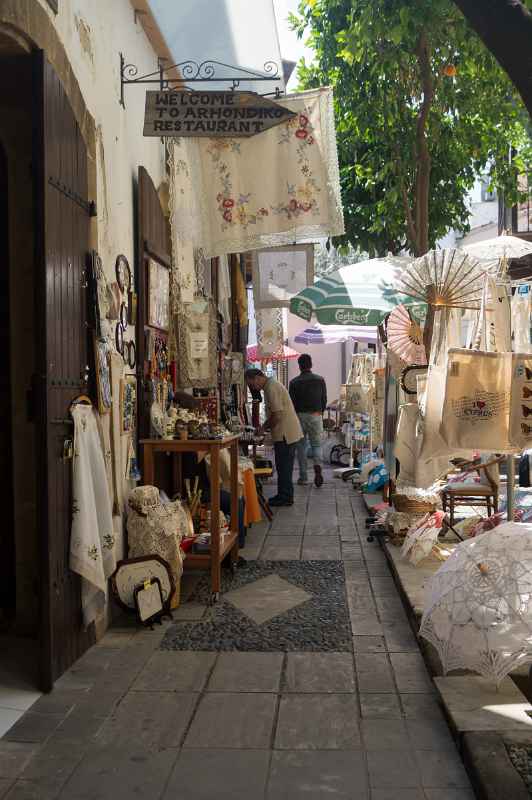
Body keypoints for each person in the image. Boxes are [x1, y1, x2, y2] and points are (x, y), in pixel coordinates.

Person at [245, 368, 302, 507]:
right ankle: (284, 494)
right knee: (283, 466)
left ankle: (285, 497)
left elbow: (277, 414)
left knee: (284, 467)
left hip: (285, 434)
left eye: (252, 384)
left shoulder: (271, 387)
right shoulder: (271, 385)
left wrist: (263, 429)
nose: (253, 388)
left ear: (258, 377)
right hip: (285, 432)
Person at [289, 353, 327, 488]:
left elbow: (291, 404)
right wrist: (320, 412)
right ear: (311, 364)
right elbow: (324, 399)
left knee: (301, 447)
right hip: (316, 415)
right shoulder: (320, 380)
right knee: (317, 445)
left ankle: (303, 477)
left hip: (299, 416)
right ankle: (317, 466)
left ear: (299, 366)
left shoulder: (293, 382)